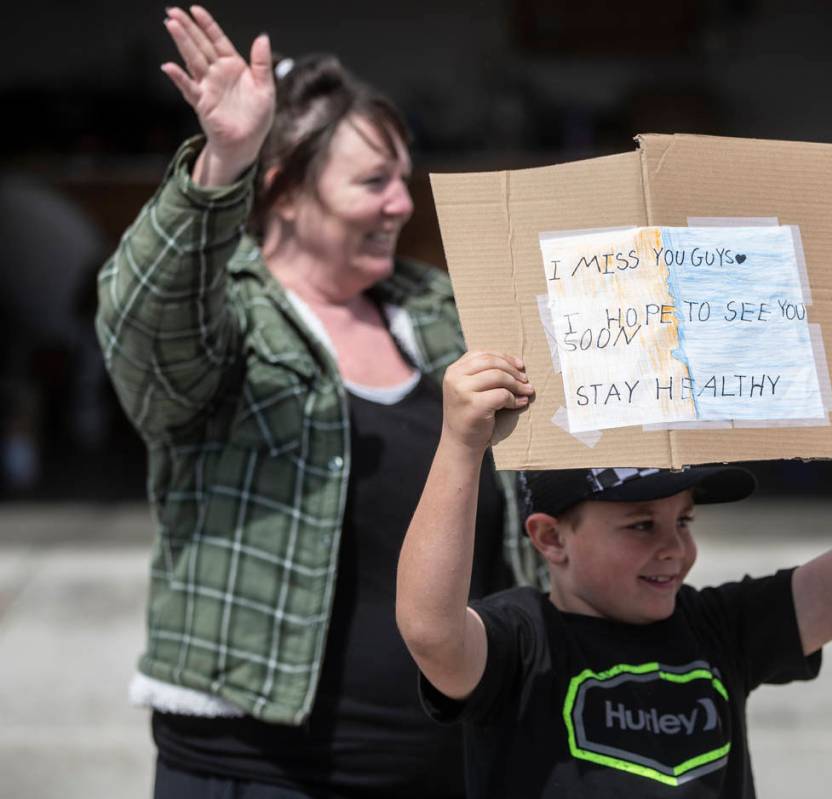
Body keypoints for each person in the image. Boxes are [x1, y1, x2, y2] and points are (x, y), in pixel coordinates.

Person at [95, 6, 538, 797]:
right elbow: (142, 323)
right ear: (287, 195)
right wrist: (223, 160)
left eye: (402, 178)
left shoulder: (435, 310)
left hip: (450, 762)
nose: (402, 203)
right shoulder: (225, 311)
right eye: (374, 181)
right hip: (255, 772)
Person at [396, 288, 832, 798]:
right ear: (551, 537)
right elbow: (429, 629)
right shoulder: (522, 643)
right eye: (640, 525)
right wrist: (461, 443)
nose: (674, 548)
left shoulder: (719, 628)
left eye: (684, 521)